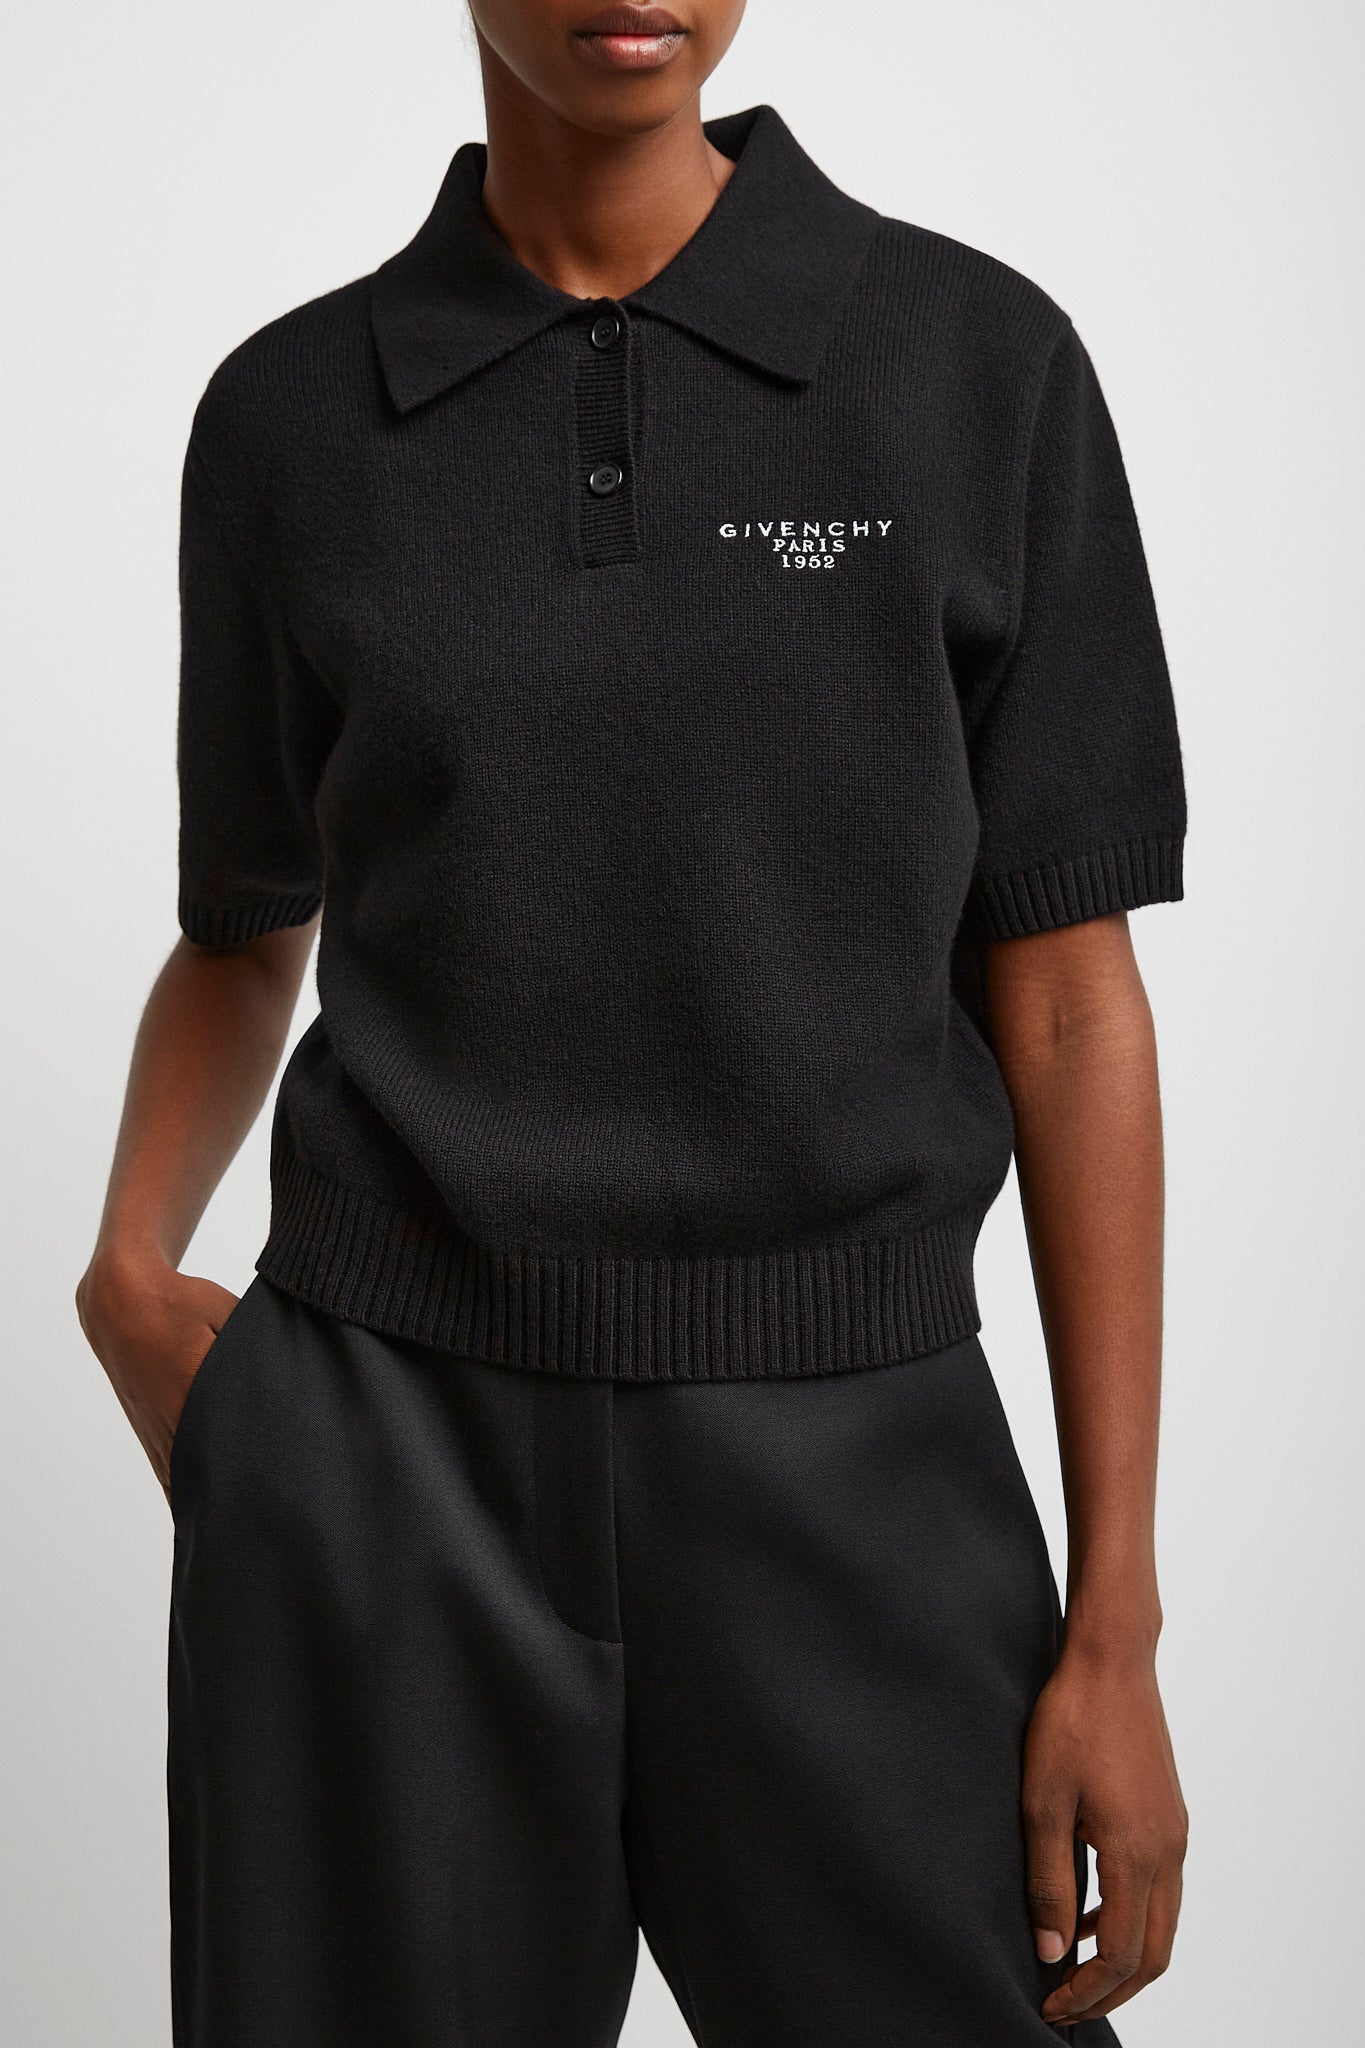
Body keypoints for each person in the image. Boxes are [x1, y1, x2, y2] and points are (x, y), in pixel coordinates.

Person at [74, 2, 1190, 2041]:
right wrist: (128, 1271)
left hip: (859, 1456)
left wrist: (1112, 1617)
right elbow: (242, 928)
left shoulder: (975, 364)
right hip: (382, 1467)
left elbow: (1063, 999)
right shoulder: (291, 417)